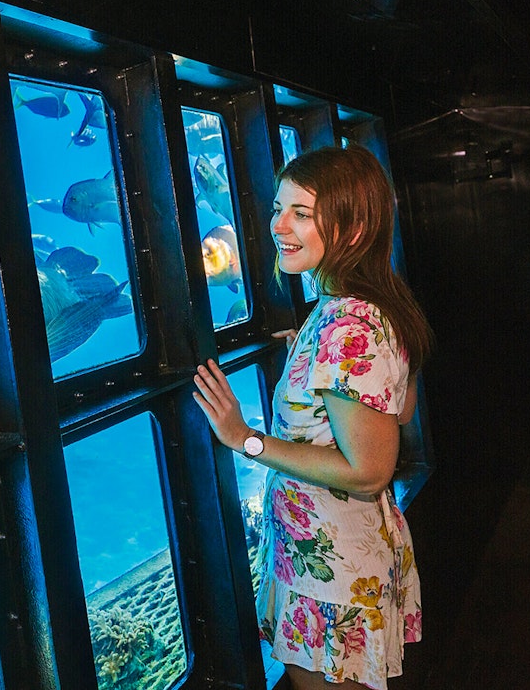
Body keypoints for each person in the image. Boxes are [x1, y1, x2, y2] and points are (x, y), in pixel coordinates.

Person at [192, 145, 432, 690]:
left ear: (351, 228)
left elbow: (370, 469)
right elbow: (402, 404)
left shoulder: (347, 327)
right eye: (279, 208)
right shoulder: (366, 303)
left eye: (301, 213)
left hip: (333, 570)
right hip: (352, 549)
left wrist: (244, 438)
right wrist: (315, 365)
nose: (278, 225)